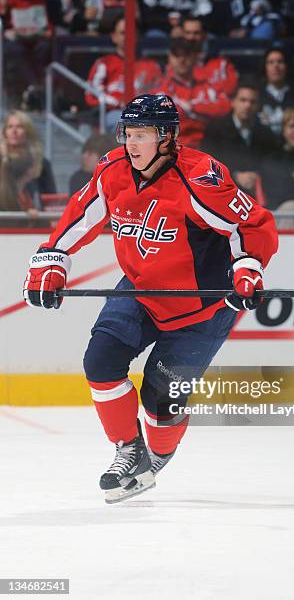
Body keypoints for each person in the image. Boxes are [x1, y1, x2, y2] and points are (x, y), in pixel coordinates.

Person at [22, 94, 278, 504]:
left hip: (203, 307)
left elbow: (250, 224)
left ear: (167, 137)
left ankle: (157, 453)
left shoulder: (201, 177)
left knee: (161, 397)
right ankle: (129, 450)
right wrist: (52, 260)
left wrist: (247, 265)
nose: (131, 144)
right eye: (128, 133)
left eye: (142, 135)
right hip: (141, 289)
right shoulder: (113, 169)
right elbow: (78, 217)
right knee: (100, 361)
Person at [201, 81, 279, 195]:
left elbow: (273, 163)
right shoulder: (215, 130)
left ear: (258, 106)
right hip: (222, 192)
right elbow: (207, 163)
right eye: (243, 100)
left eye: (253, 102)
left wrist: (258, 176)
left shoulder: (266, 133)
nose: (248, 105)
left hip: (259, 193)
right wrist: (235, 175)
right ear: (233, 102)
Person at [85, 17, 162, 131]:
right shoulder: (105, 63)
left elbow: (160, 95)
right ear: (114, 37)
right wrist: (118, 103)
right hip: (113, 115)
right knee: (126, 121)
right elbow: (92, 95)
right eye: (122, 33)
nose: (127, 37)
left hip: (145, 116)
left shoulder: (152, 66)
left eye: (131, 33)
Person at [152, 37, 231, 148]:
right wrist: (206, 115)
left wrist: (192, 107)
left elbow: (225, 108)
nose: (182, 60)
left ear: (195, 58)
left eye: (186, 55)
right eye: (177, 55)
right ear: (169, 58)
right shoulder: (160, 91)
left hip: (210, 146)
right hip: (176, 149)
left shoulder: (209, 86)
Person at [0, 110, 57, 205]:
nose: (14, 131)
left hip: (31, 216)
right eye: (10, 127)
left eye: (19, 127)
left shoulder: (40, 162)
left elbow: (50, 197)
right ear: (5, 132)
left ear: (28, 131)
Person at [181, 15, 238, 97]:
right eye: (188, 33)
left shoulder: (221, 62)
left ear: (204, 35)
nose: (191, 37)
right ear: (182, 34)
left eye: (196, 33)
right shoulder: (173, 61)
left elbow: (230, 89)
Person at [258, 48, 294, 137]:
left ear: (287, 66)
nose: (276, 66)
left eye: (280, 62)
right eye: (271, 62)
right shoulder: (256, 96)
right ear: (265, 67)